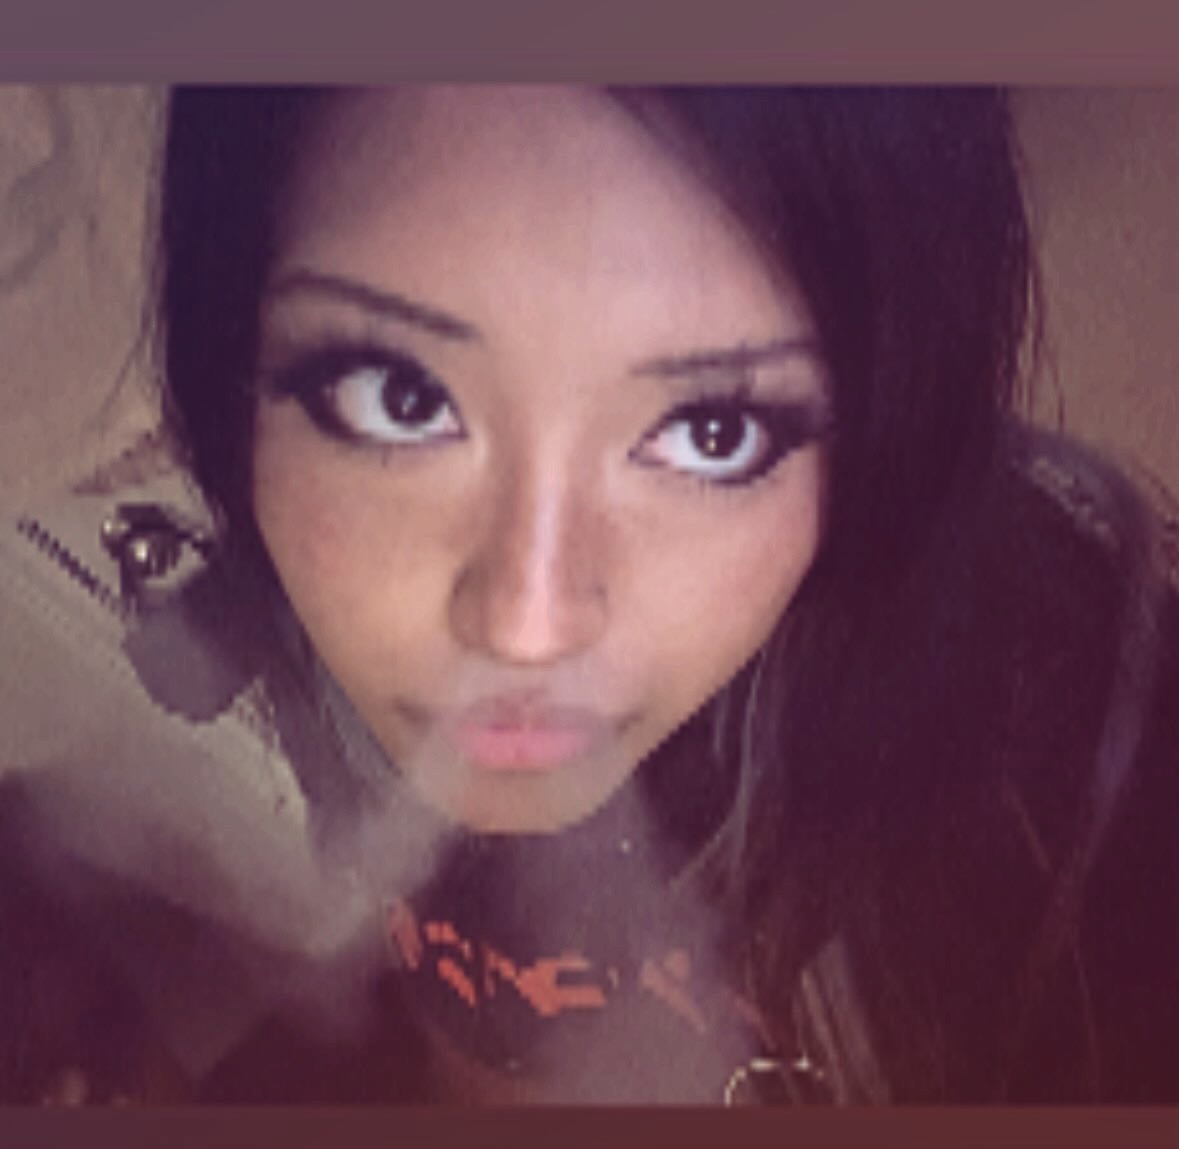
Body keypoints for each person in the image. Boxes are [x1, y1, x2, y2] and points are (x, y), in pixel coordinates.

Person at [1, 84, 1176, 1105]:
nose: (525, 627)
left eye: (712, 432)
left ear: (886, 423)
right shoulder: (288, 609)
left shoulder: (1086, 810)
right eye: (396, 399)